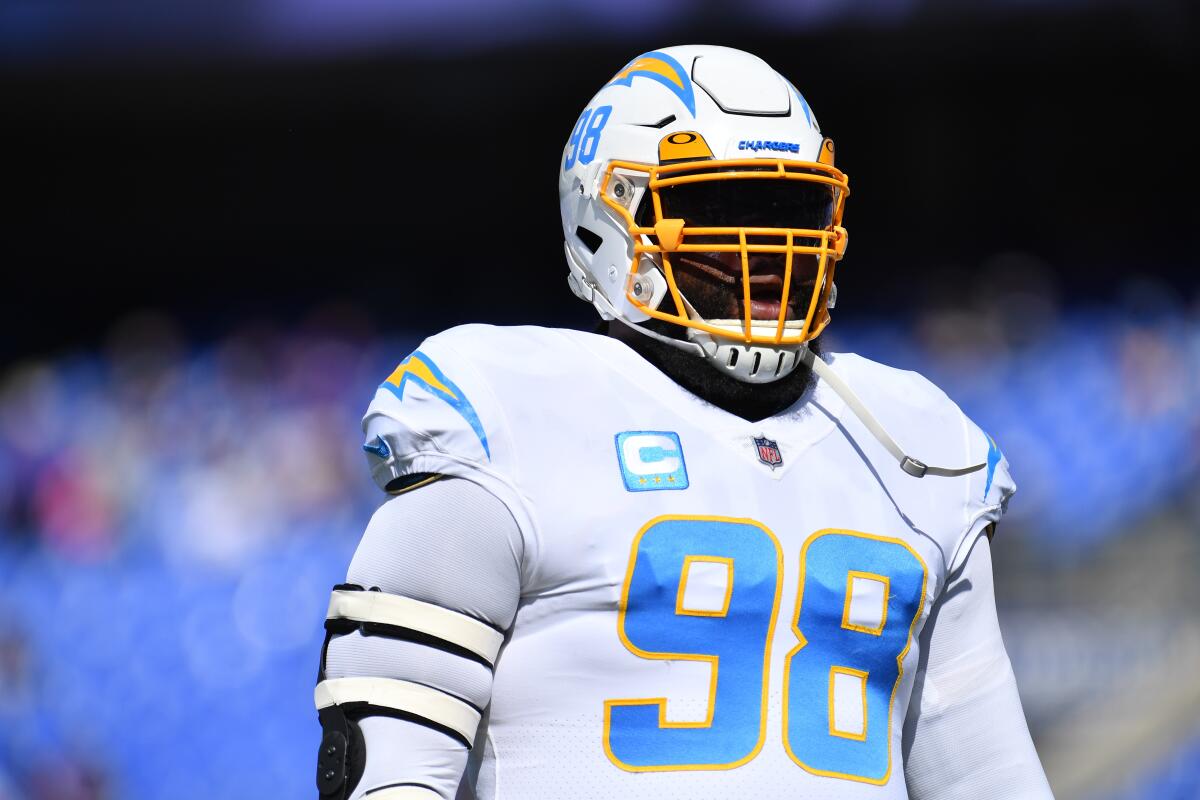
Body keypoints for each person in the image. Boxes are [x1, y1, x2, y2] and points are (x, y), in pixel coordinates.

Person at [313, 45, 1054, 800]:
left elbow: (986, 773)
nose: (769, 250)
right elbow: (390, 764)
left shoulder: (915, 448)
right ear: (608, 226)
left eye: (792, 211)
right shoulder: (510, 414)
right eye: (720, 211)